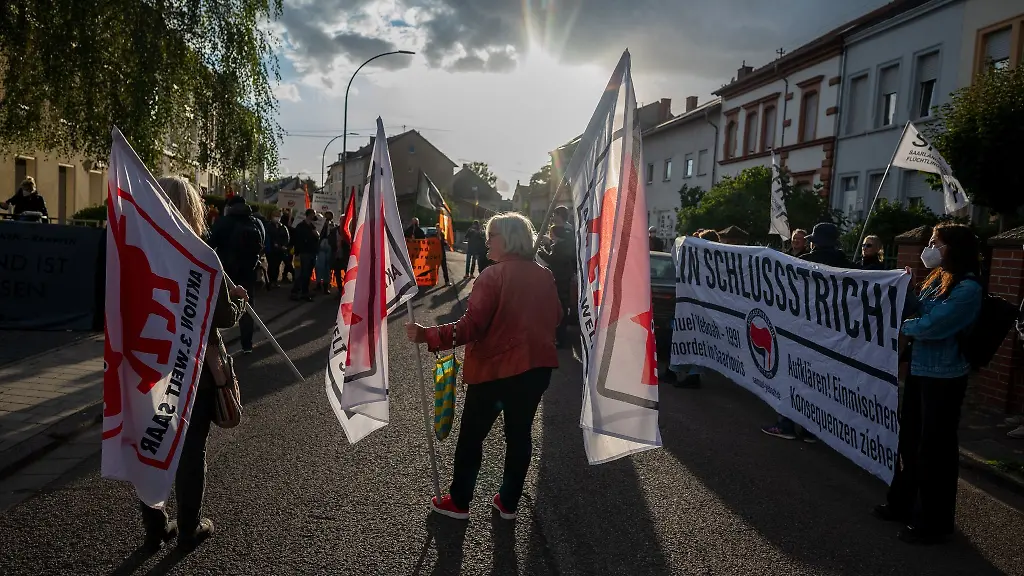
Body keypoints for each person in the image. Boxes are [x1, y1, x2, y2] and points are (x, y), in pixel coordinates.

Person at [405, 213, 562, 521]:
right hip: (536, 369)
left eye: (492, 235)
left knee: (472, 437)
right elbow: (556, 317)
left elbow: (471, 327)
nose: (487, 241)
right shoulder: (545, 275)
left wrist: (428, 335)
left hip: (495, 371)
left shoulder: (492, 275)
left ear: (508, 240)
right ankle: (508, 502)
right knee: (519, 436)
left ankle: (460, 501)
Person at [140, 176, 248, 551]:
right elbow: (220, 316)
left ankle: (155, 525)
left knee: (151, 443)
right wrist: (238, 300)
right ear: (192, 209)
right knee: (191, 447)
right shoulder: (202, 256)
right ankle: (188, 526)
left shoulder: (140, 249)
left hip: (151, 363)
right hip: (195, 368)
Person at [874, 223, 982, 545]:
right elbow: (918, 309)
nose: (930, 247)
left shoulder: (968, 289)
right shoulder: (937, 280)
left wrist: (905, 325)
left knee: (935, 450)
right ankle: (903, 505)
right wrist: (904, 289)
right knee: (909, 441)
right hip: (921, 371)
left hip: (945, 377)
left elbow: (933, 326)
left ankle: (932, 521)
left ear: (954, 248)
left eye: (936, 242)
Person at [208, 196, 264, 354]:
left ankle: (219, 346)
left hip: (227, 273)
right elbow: (261, 245)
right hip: (248, 272)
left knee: (222, 306)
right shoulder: (255, 223)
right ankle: (247, 344)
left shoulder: (223, 222)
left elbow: (210, 246)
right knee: (247, 305)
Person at [672, 229, 719, 388]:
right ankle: (685, 372)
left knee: (698, 340)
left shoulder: (712, 259)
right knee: (692, 339)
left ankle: (694, 375)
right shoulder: (703, 257)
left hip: (702, 307)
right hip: (697, 306)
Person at [539, 224, 575, 348]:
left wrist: (540, 251)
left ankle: (561, 337)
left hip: (560, 280)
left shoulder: (560, 247)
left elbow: (552, 260)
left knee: (560, 308)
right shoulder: (563, 245)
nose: (550, 235)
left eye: (551, 232)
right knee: (562, 306)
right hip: (563, 279)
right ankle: (560, 335)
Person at [289, 208, 319, 302]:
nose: (314, 216)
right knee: (303, 273)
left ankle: (304, 292)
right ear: (309, 215)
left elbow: (316, 238)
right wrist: (297, 252)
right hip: (304, 253)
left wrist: (316, 235)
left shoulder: (312, 226)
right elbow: (297, 240)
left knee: (308, 273)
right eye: (313, 214)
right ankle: (297, 292)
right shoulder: (301, 226)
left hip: (312, 252)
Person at [265, 208, 290, 288]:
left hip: (280, 250)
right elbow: (267, 237)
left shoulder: (283, 227)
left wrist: (284, 245)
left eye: (278, 216)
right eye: (275, 216)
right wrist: (274, 244)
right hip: (271, 250)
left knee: (277, 266)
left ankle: (275, 281)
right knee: (271, 265)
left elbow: (287, 237)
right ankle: (270, 281)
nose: (277, 218)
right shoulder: (268, 226)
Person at [316, 211, 336, 295]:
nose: (328, 217)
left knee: (327, 267)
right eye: (327, 215)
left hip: (329, 246)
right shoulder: (320, 224)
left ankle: (326, 285)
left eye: (330, 216)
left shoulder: (333, 225)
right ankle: (318, 284)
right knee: (319, 266)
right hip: (321, 245)